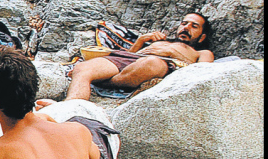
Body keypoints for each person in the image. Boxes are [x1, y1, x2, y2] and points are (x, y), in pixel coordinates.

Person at [55, 13, 214, 102]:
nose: (186, 28)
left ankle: (101, 81)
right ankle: (70, 106)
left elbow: (200, 73)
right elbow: (129, 55)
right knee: (82, 69)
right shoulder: (162, 40)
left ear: (201, 37)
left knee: (152, 62)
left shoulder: (202, 53)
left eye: (194, 26)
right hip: (131, 59)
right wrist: (141, 41)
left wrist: (172, 53)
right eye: (184, 23)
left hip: (160, 64)